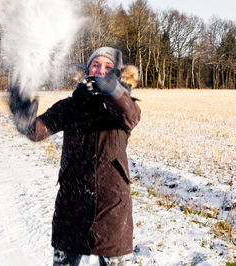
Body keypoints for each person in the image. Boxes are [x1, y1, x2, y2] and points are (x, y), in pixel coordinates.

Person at [9, 47, 141, 266]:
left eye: (108, 67)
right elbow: (37, 131)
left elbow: (130, 116)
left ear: (118, 74)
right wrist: (22, 114)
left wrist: (114, 91)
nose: (101, 70)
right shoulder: (71, 106)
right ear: (86, 70)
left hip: (111, 207)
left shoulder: (124, 107)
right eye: (96, 65)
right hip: (72, 206)